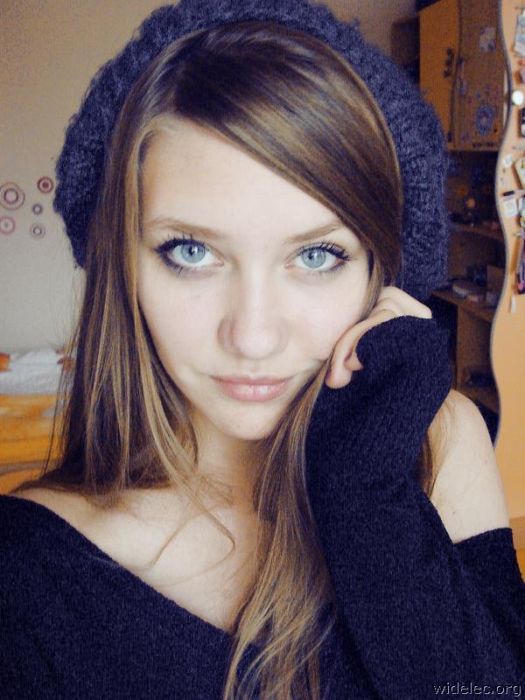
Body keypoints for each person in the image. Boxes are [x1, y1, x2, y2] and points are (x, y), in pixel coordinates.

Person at [1, 1, 524, 698]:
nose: (252, 336)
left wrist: (365, 495)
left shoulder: (441, 443)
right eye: (191, 251)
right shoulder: (24, 575)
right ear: (123, 265)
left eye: (316, 255)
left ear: (381, 272)